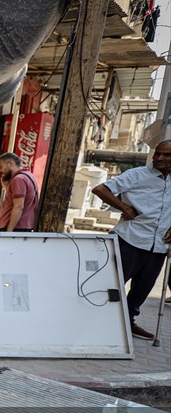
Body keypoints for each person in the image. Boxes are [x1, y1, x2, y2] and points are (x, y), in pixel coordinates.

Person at [91, 140, 171, 340]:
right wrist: (123, 207)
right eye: (157, 154)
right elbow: (100, 189)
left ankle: (127, 322)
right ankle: (92, 321)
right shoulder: (137, 175)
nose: (159, 158)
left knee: (142, 288)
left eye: (166, 155)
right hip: (129, 239)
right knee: (110, 283)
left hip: (158, 245)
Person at [0, 153, 39, 232]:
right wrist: (7, 186)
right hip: (23, 226)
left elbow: (19, 207)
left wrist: (9, 231)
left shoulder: (18, 179)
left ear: (11, 164)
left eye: (0, 167)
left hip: (16, 228)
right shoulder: (28, 175)